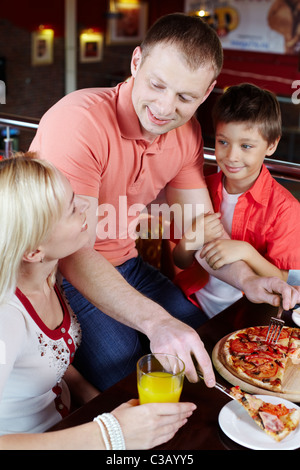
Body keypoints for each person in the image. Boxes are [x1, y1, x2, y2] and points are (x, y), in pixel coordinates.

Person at [29, 13, 300, 392]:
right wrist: (156, 322)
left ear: (207, 93)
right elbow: (74, 251)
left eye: (185, 97)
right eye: (157, 85)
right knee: (126, 370)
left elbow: (201, 229)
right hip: (61, 274)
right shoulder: (79, 122)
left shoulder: (185, 132)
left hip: (128, 263)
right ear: (136, 62)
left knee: (203, 346)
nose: (164, 107)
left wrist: (249, 279)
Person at [0, 153, 197, 450]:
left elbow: (42, 358)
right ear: (33, 251)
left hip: (68, 423)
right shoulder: (6, 318)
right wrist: (108, 434)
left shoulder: (46, 276)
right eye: (70, 210)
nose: (85, 206)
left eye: (74, 196)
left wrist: (96, 401)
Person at [173, 83, 300, 318]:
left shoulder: (286, 209)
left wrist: (246, 251)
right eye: (223, 142)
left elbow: (282, 280)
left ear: (271, 145)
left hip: (246, 313)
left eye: (246, 146)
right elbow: (180, 261)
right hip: (191, 300)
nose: (232, 156)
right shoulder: (201, 189)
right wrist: (190, 239)